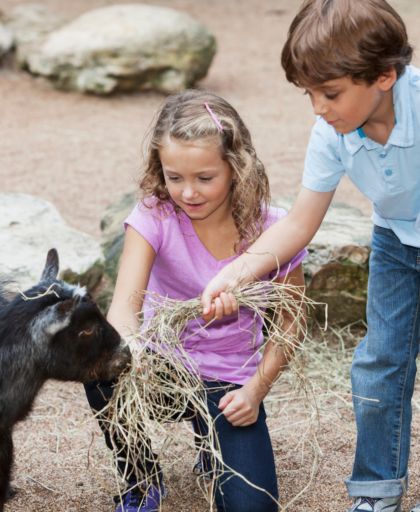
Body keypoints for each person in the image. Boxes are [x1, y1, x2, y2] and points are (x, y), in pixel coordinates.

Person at [201, 1, 420, 511]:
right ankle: (376, 489)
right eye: (310, 94)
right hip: (395, 241)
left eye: (330, 93)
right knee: (379, 361)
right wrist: (236, 271)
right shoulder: (332, 133)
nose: (318, 108)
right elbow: (299, 223)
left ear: (384, 75)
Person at [84, 89, 307, 512]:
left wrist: (255, 391)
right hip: (160, 367)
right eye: (174, 177)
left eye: (205, 178)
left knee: (252, 507)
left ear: (237, 167)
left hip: (229, 383)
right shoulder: (154, 215)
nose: (188, 193)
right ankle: (141, 477)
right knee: (97, 360)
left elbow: (293, 324)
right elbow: (123, 308)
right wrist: (130, 347)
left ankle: (214, 441)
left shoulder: (275, 229)